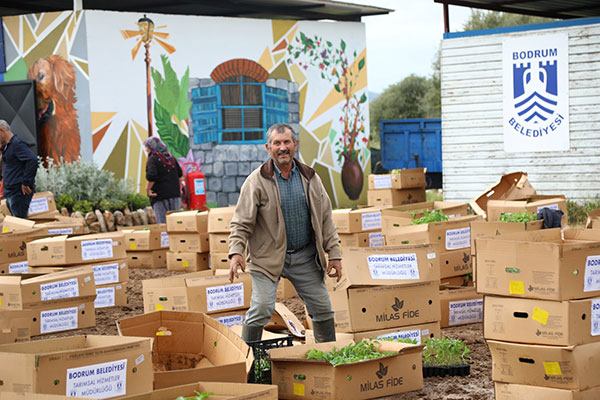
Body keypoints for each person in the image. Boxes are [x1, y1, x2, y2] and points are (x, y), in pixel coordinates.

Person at [228, 123, 342, 344]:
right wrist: (236, 253)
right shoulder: (256, 181)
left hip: (305, 256)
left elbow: (326, 218)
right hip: (267, 258)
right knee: (261, 308)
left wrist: (334, 254)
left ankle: (328, 358)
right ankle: (247, 357)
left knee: (323, 310)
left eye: (287, 142)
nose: (282, 147)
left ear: (295, 145)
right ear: (268, 148)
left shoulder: (311, 178)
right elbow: (241, 222)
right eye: (277, 143)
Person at [0, 120, 38, 218]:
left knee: (21, 226)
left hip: (18, 193)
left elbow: (32, 160)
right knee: (17, 224)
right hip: (11, 192)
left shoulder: (17, 144)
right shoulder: (7, 146)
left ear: (1, 130)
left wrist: (26, 182)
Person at [143, 136, 183, 224]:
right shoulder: (171, 157)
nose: (146, 149)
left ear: (151, 147)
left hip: (160, 196)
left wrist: (148, 189)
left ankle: (166, 238)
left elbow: (152, 176)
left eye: (147, 147)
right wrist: (179, 189)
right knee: (175, 223)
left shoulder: (153, 158)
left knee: (163, 224)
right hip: (175, 195)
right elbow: (179, 174)